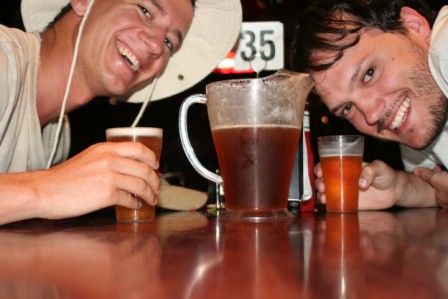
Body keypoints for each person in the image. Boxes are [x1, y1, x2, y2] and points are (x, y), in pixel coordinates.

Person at [0, 0, 242, 225]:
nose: (157, 46)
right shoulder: (4, 57)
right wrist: (46, 189)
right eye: (145, 10)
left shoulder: (58, 134)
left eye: (170, 42)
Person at [290, 0, 448, 210]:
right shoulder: (422, 105)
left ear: (414, 25)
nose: (372, 115)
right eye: (347, 108)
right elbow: (437, 188)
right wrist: (399, 189)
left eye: (369, 73)